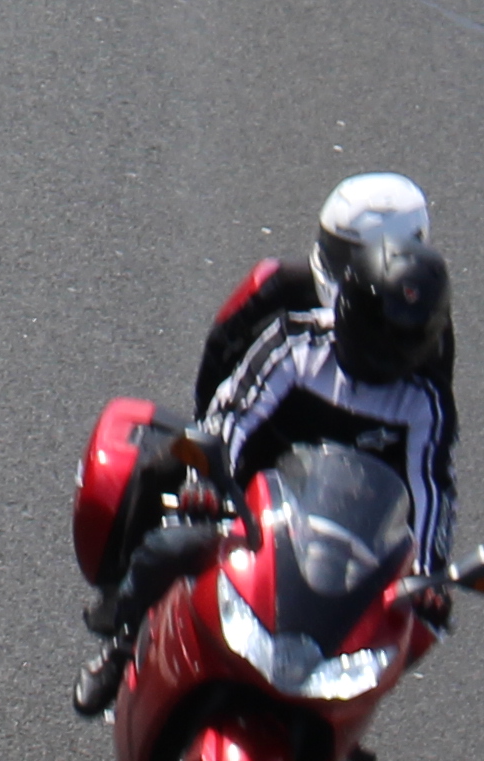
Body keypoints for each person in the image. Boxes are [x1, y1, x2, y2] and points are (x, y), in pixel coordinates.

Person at [78, 172, 461, 717]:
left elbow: (432, 482)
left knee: (409, 626)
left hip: (347, 499)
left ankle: (337, 718)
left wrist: (428, 572)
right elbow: (230, 400)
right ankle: (120, 645)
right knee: (174, 534)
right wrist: (204, 481)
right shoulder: (293, 331)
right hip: (256, 479)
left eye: (400, 344)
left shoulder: (425, 379)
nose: (384, 354)